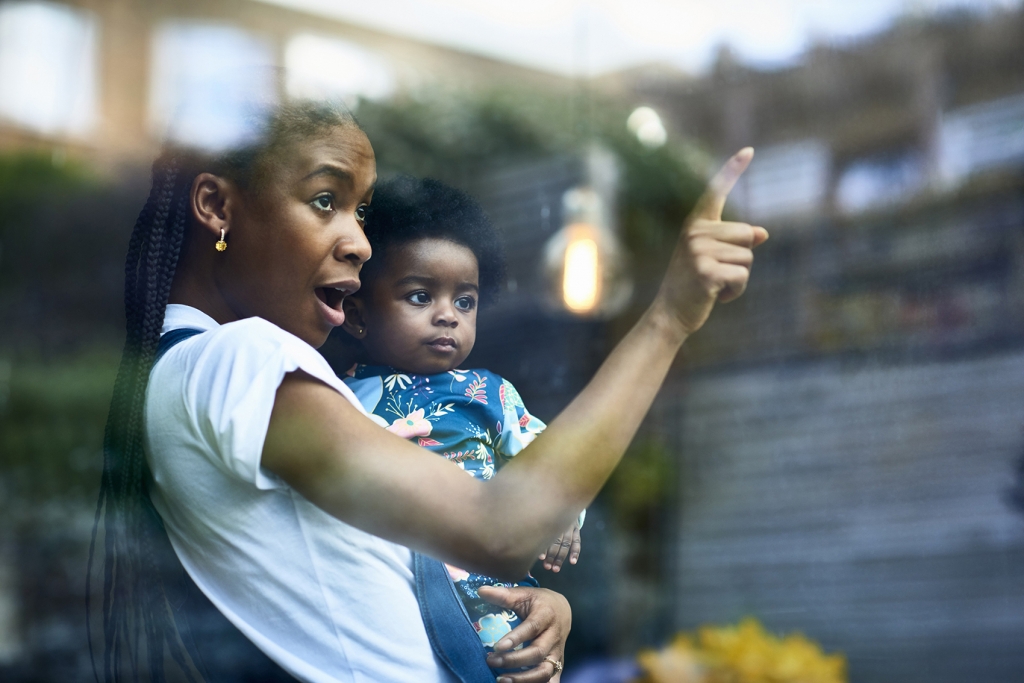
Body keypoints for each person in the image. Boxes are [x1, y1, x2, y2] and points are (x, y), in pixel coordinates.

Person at [92, 101, 766, 683]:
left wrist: (526, 608)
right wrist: (668, 318)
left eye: (359, 210)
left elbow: (367, 578)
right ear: (216, 206)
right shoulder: (242, 358)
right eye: (326, 200)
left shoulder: (185, 372)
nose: (358, 241)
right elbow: (500, 527)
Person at [333, 176, 585, 660]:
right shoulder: (338, 398)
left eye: (464, 301)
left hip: (488, 600)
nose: (448, 315)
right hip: (388, 600)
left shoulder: (488, 393)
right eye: (420, 297)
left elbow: (550, 462)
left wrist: (561, 514)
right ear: (359, 314)